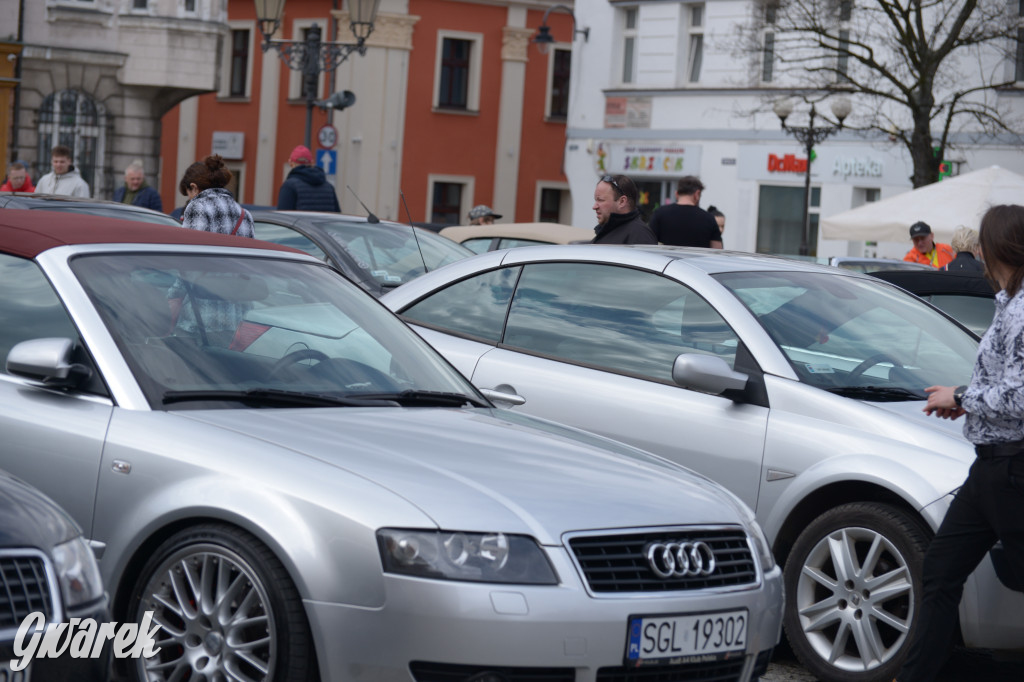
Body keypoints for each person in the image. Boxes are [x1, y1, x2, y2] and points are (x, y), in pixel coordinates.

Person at [895, 204, 1024, 682]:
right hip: (992, 468)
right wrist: (968, 403)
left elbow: (1021, 396)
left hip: (1013, 468)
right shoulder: (1008, 302)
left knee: (947, 573)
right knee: (941, 570)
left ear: (993, 248)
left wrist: (964, 396)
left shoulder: (1022, 308)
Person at [178, 155, 253, 237]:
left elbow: (190, 245)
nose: (189, 199)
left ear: (194, 188)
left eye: (189, 193)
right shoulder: (245, 214)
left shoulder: (197, 207)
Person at [648, 176, 722, 248]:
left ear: (676, 194)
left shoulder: (659, 213)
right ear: (697, 194)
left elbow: (648, 243)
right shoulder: (709, 219)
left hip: (665, 260)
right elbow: (717, 251)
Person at [591, 174, 656, 245]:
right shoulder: (607, 232)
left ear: (622, 201)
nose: (594, 207)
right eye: (596, 200)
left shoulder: (640, 235)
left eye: (600, 200)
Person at [276, 145, 340, 212]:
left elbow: (282, 217)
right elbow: (337, 216)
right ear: (312, 163)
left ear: (291, 163)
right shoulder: (329, 187)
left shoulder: (289, 186)